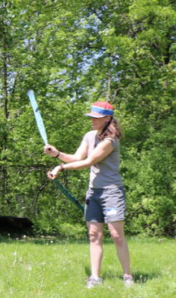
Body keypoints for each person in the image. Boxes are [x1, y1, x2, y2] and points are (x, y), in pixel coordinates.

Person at [45, 101, 133, 288]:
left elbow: (89, 162)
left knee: (117, 236)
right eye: (91, 116)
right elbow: (77, 158)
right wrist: (57, 154)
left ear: (107, 119)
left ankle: (127, 276)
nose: (92, 120)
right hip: (93, 192)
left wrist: (60, 167)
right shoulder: (89, 136)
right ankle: (95, 277)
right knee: (94, 235)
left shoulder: (110, 141)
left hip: (112, 192)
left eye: (96, 117)